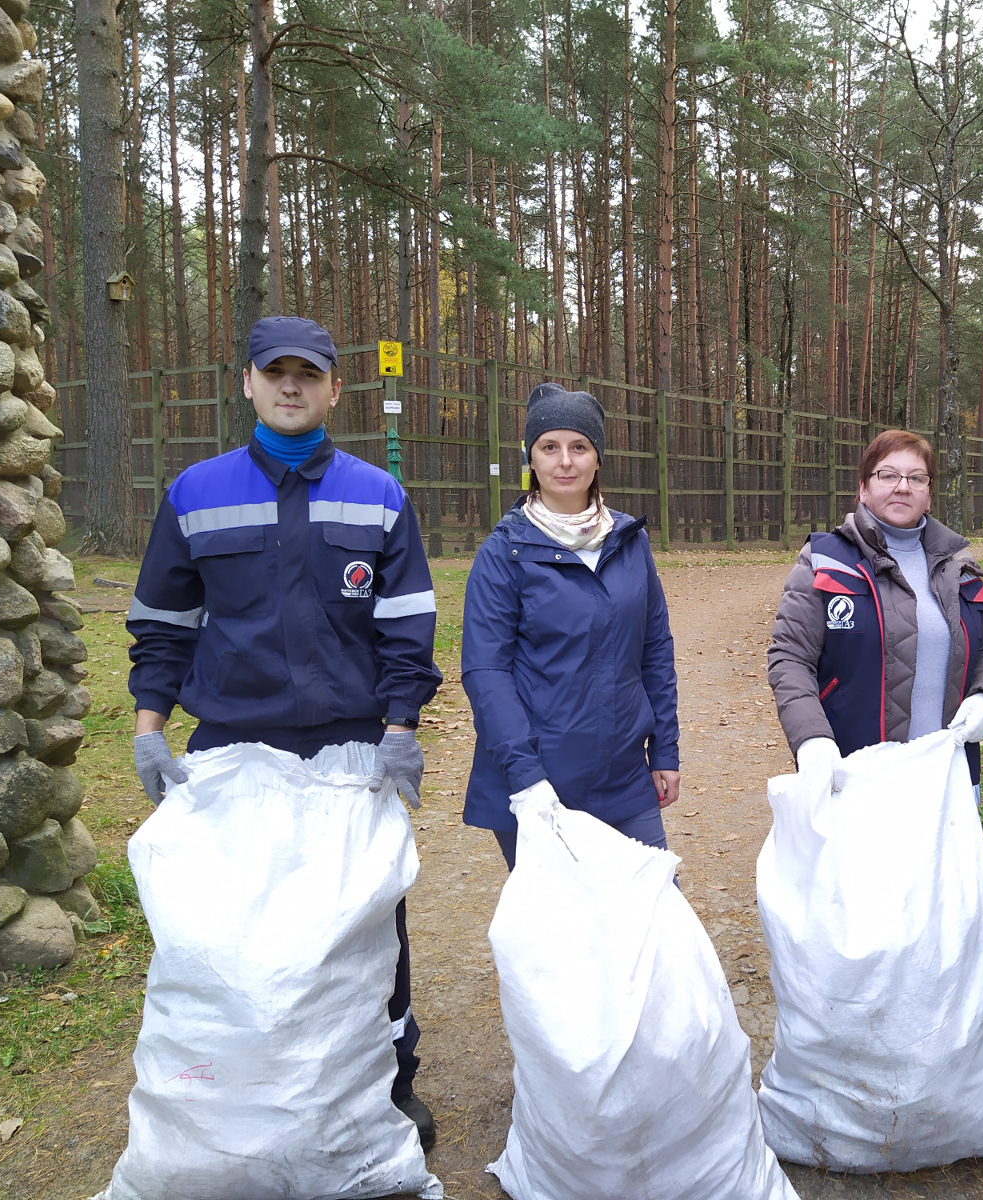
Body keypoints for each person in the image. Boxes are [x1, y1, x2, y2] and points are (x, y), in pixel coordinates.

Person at [126, 315, 443, 1148]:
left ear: (337, 388)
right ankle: (244, 1090)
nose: (291, 387)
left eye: (309, 374)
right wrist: (149, 727)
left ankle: (388, 1083)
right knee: (235, 925)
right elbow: (164, 622)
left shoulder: (379, 496)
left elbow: (407, 623)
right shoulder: (197, 493)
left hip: (347, 750)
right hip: (231, 750)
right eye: (276, 373)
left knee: (369, 924)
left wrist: (402, 723)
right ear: (249, 385)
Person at [460, 383, 679, 869]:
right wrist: (527, 777)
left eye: (579, 447)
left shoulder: (629, 542)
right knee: (561, 939)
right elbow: (485, 672)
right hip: (537, 784)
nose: (565, 461)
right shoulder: (503, 553)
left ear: (597, 459)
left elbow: (654, 650)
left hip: (624, 778)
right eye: (549, 447)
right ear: (531, 459)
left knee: (650, 920)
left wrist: (664, 750)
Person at [768, 429, 983, 793]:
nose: (903, 486)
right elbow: (790, 659)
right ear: (863, 488)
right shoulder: (825, 559)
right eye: (888, 475)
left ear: (928, 495)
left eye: (916, 478)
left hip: (948, 775)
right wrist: (812, 738)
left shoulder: (960, 567)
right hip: (854, 774)